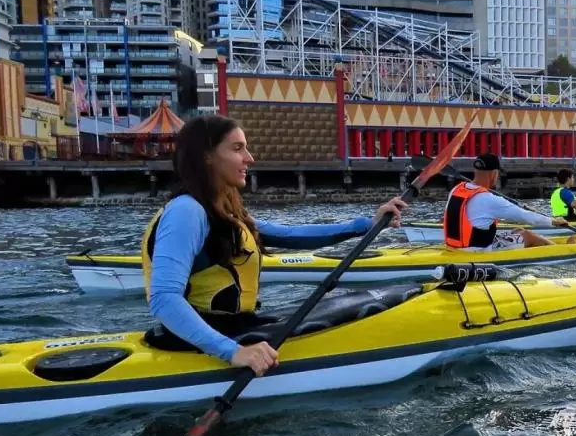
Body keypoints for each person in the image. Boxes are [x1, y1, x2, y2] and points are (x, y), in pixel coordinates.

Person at [141, 115, 407, 377]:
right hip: (203, 339)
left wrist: (366, 225)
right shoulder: (186, 212)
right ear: (206, 156)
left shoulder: (224, 210)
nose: (249, 158)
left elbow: (291, 234)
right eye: (237, 149)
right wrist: (233, 352)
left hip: (236, 326)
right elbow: (164, 299)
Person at [443, 153, 566, 250]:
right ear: (493, 174)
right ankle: (560, 251)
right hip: (476, 250)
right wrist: (553, 221)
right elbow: (525, 216)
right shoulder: (489, 199)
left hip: (455, 246)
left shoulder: (456, 189)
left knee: (518, 230)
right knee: (528, 235)